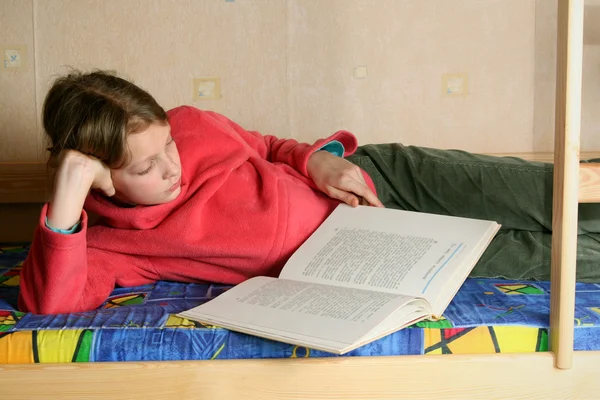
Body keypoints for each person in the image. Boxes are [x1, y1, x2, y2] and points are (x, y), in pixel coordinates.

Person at [18, 70, 600, 315]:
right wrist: (66, 200)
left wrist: (316, 161)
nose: (172, 166)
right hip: (364, 252)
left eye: (167, 144)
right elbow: (52, 301)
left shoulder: (192, 123)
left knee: (558, 188)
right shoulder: (114, 242)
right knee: (553, 255)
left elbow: (271, 145)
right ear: (97, 174)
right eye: (146, 167)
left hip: (381, 175)